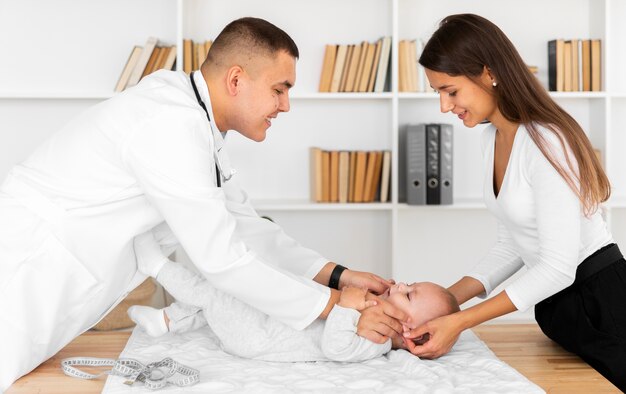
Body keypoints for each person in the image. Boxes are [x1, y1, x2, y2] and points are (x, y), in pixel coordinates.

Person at [0, 17, 408, 390]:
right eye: (279, 89)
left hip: (52, 272)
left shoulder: (194, 120)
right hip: (26, 267)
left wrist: (340, 277)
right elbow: (224, 261)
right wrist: (340, 309)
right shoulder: (170, 125)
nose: (285, 105)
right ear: (236, 80)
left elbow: (246, 225)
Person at [401, 13, 626, 390]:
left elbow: (557, 267)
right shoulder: (492, 139)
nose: (444, 106)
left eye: (450, 91)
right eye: (437, 93)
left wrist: (460, 320)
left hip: (604, 305)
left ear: (488, 72)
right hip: (562, 310)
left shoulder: (547, 141)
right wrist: (444, 302)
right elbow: (515, 242)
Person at [128, 231, 460, 362]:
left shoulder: (378, 340)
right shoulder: (370, 309)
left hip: (256, 338)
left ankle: (155, 266)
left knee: (217, 292)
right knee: (232, 295)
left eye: (410, 295)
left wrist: (345, 307)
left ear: (408, 331)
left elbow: (337, 348)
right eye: (410, 283)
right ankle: (166, 321)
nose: (400, 285)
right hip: (266, 321)